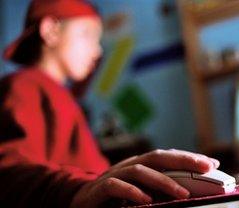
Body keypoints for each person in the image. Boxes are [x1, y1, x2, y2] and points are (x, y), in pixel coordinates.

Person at [0, 0, 220, 207]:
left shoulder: (61, 94)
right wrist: (78, 188)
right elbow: (8, 172)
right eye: (88, 35)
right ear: (51, 30)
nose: (98, 51)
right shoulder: (24, 85)